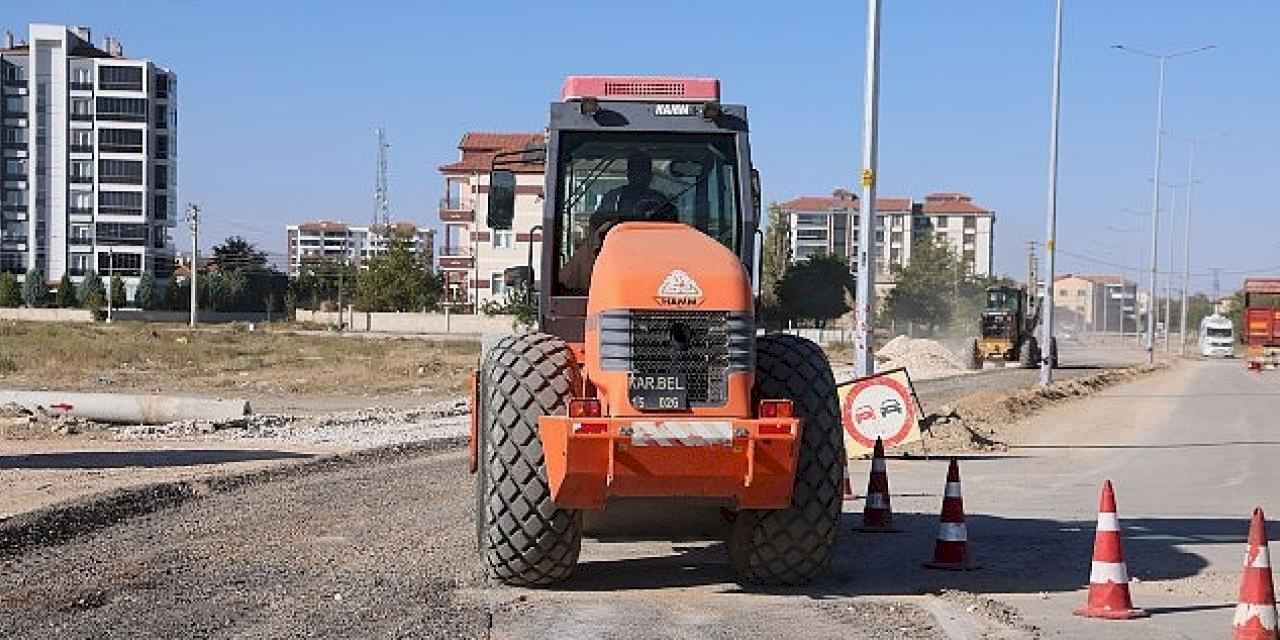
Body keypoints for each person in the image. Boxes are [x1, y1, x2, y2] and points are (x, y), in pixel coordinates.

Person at [558, 151, 672, 293]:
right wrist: (620, 218)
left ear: (650, 175)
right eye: (635, 170)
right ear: (628, 174)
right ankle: (574, 287)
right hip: (616, 251)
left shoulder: (660, 199)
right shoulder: (614, 197)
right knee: (587, 251)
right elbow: (596, 222)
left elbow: (674, 228)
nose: (638, 175)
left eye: (643, 171)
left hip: (654, 252)